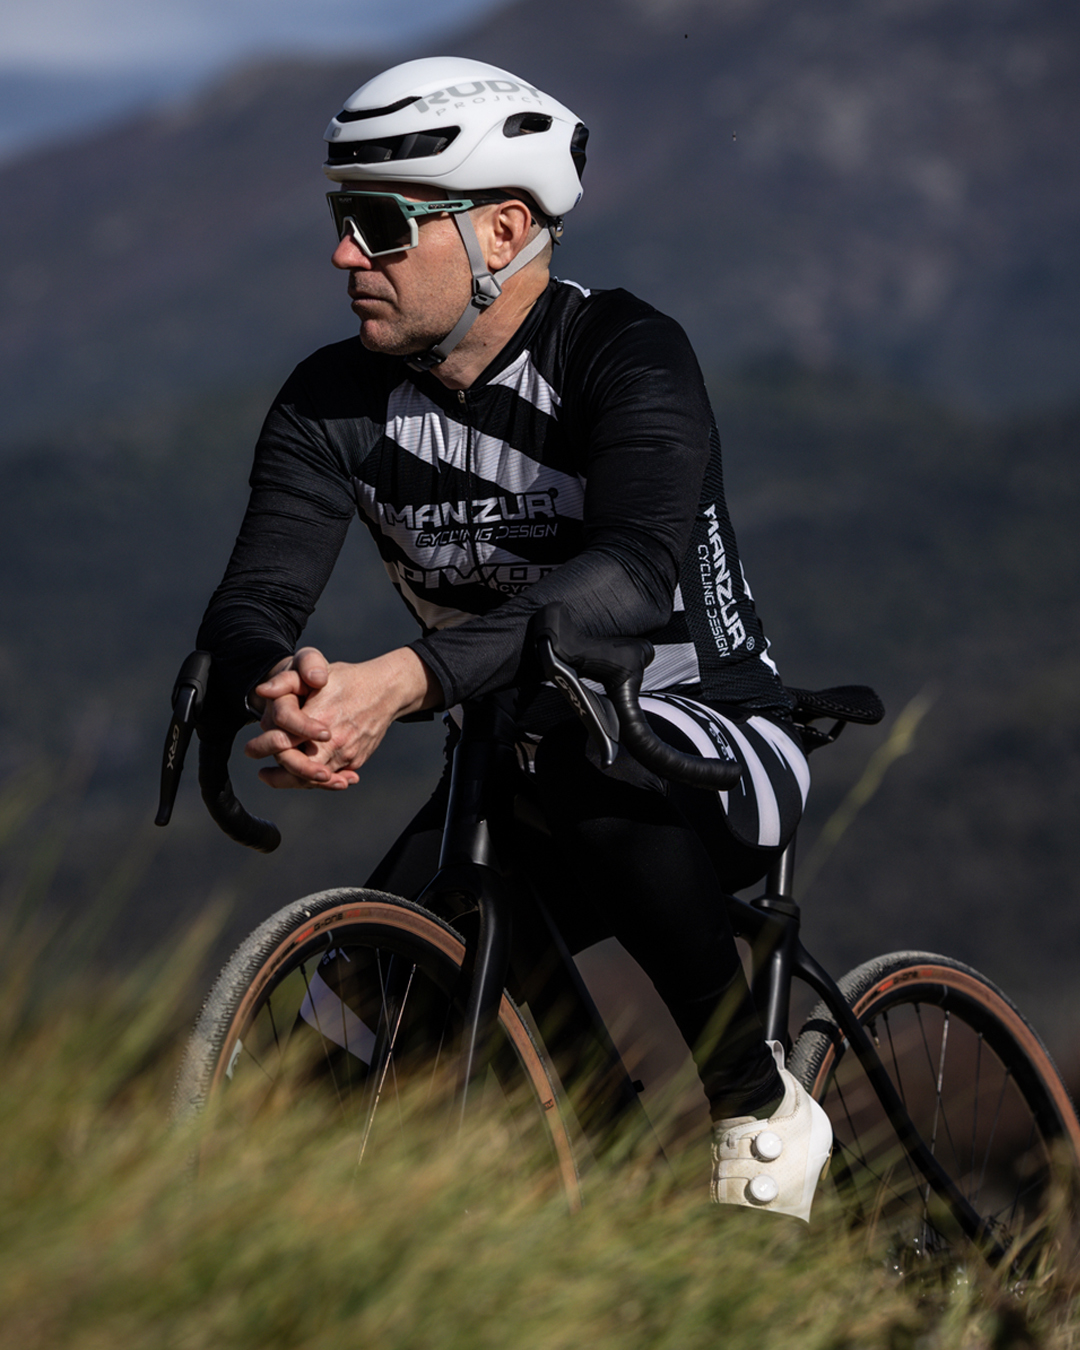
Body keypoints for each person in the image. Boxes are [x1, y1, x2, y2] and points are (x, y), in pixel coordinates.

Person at [195, 55, 832, 1220]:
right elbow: (252, 599)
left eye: (383, 225)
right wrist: (278, 683)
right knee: (342, 1021)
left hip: (703, 743)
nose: (347, 256)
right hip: (504, 766)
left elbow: (629, 577)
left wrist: (405, 680)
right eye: (341, 221)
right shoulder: (330, 401)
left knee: (575, 747)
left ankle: (756, 1098)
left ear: (501, 229)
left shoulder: (624, 352)